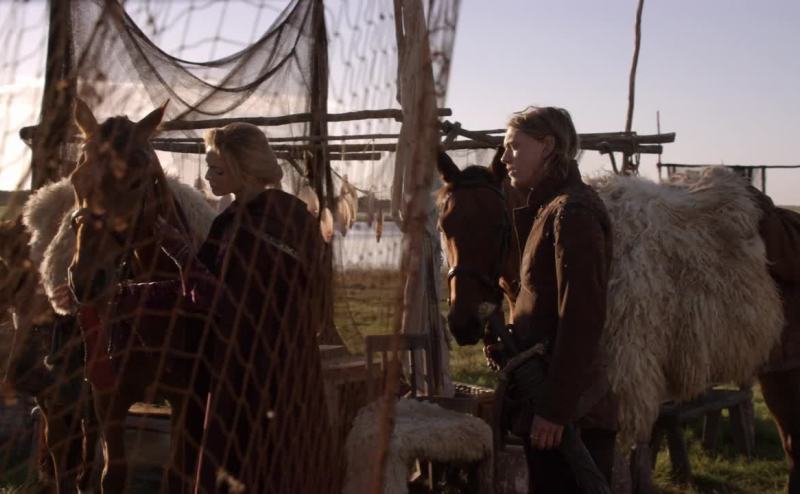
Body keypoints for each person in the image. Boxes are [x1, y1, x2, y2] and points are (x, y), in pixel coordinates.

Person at [117, 122, 340, 493]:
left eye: (216, 170)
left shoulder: (281, 223)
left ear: (243, 169)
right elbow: (194, 288)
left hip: (271, 370)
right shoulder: (231, 222)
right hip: (239, 364)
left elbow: (220, 299)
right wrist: (126, 294)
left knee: (270, 468)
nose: (207, 177)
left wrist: (182, 253)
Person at [500, 106, 618, 492]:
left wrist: (555, 409)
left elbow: (581, 318)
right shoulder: (549, 209)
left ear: (547, 146)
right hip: (552, 405)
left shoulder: (573, 212)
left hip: (573, 416)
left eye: (515, 146)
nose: (505, 158)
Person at [750, 187, 800, 493]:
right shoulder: (779, 230)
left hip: (783, 356)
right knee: (794, 441)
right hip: (780, 357)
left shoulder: (780, 230)